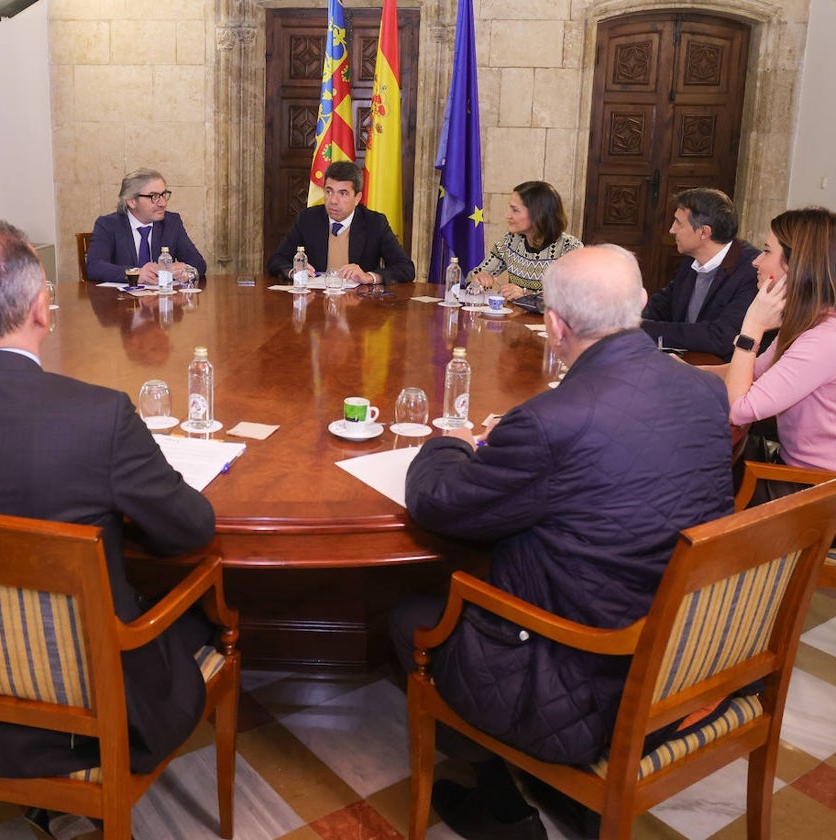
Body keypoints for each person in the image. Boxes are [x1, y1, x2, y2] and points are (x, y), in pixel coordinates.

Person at [391, 245, 733, 839]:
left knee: (409, 615)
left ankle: (503, 810)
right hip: (689, 654)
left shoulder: (552, 421)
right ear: (642, 305)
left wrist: (449, 443)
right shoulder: (704, 392)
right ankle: (562, 789)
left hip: (587, 679)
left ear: (553, 325)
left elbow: (438, 504)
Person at [0, 219, 216, 782]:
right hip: (84, 690)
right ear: (41, 307)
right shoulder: (97, 415)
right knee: (202, 604)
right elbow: (191, 530)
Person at [718, 207, 836, 473]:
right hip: (794, 468)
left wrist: (753, 327)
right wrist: (681, 370)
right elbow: (753, 372)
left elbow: (736, 409)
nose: (755, 261)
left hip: (815, 488)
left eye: (767, 251)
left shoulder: (823, 340)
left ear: (798, 264)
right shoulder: (810, 319)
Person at [641, 188, 760, 360]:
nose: (671, 230)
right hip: (688, 362)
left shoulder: (751, 271)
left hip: (720, 372)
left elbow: (720, 337)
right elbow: (664, 303)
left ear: (704, 232)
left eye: (678, 223)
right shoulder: (693, 258)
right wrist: (627, 320)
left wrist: (642, 327)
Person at [267, 160, 415, 285]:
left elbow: (406, 268)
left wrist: (369, 277)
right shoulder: (308, 219)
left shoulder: (374, 223)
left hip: (360, 307)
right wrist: (295, 271)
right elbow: (276, 260)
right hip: (316, 304)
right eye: (329, 191)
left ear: (357, 198)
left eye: (342, 193)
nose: (333, 201)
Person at [85, 168, 206, 284]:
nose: (163, 203)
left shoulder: (171, 222)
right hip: (123, 302)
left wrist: (186, 271)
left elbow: (198, 263)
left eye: (163, 195)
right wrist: (136, 273)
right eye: (154, 197)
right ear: (132, 201)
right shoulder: (108, 225)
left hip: (163, 301)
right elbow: (94, 266)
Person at [470, 180, 582, 300]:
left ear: (538, 214)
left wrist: (526, 295)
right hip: (515, 317)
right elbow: (475, 276)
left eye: (515, 210)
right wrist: (478, 280)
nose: (507, 215)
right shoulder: (509, 241)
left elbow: (572, 298)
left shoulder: (570, 248)